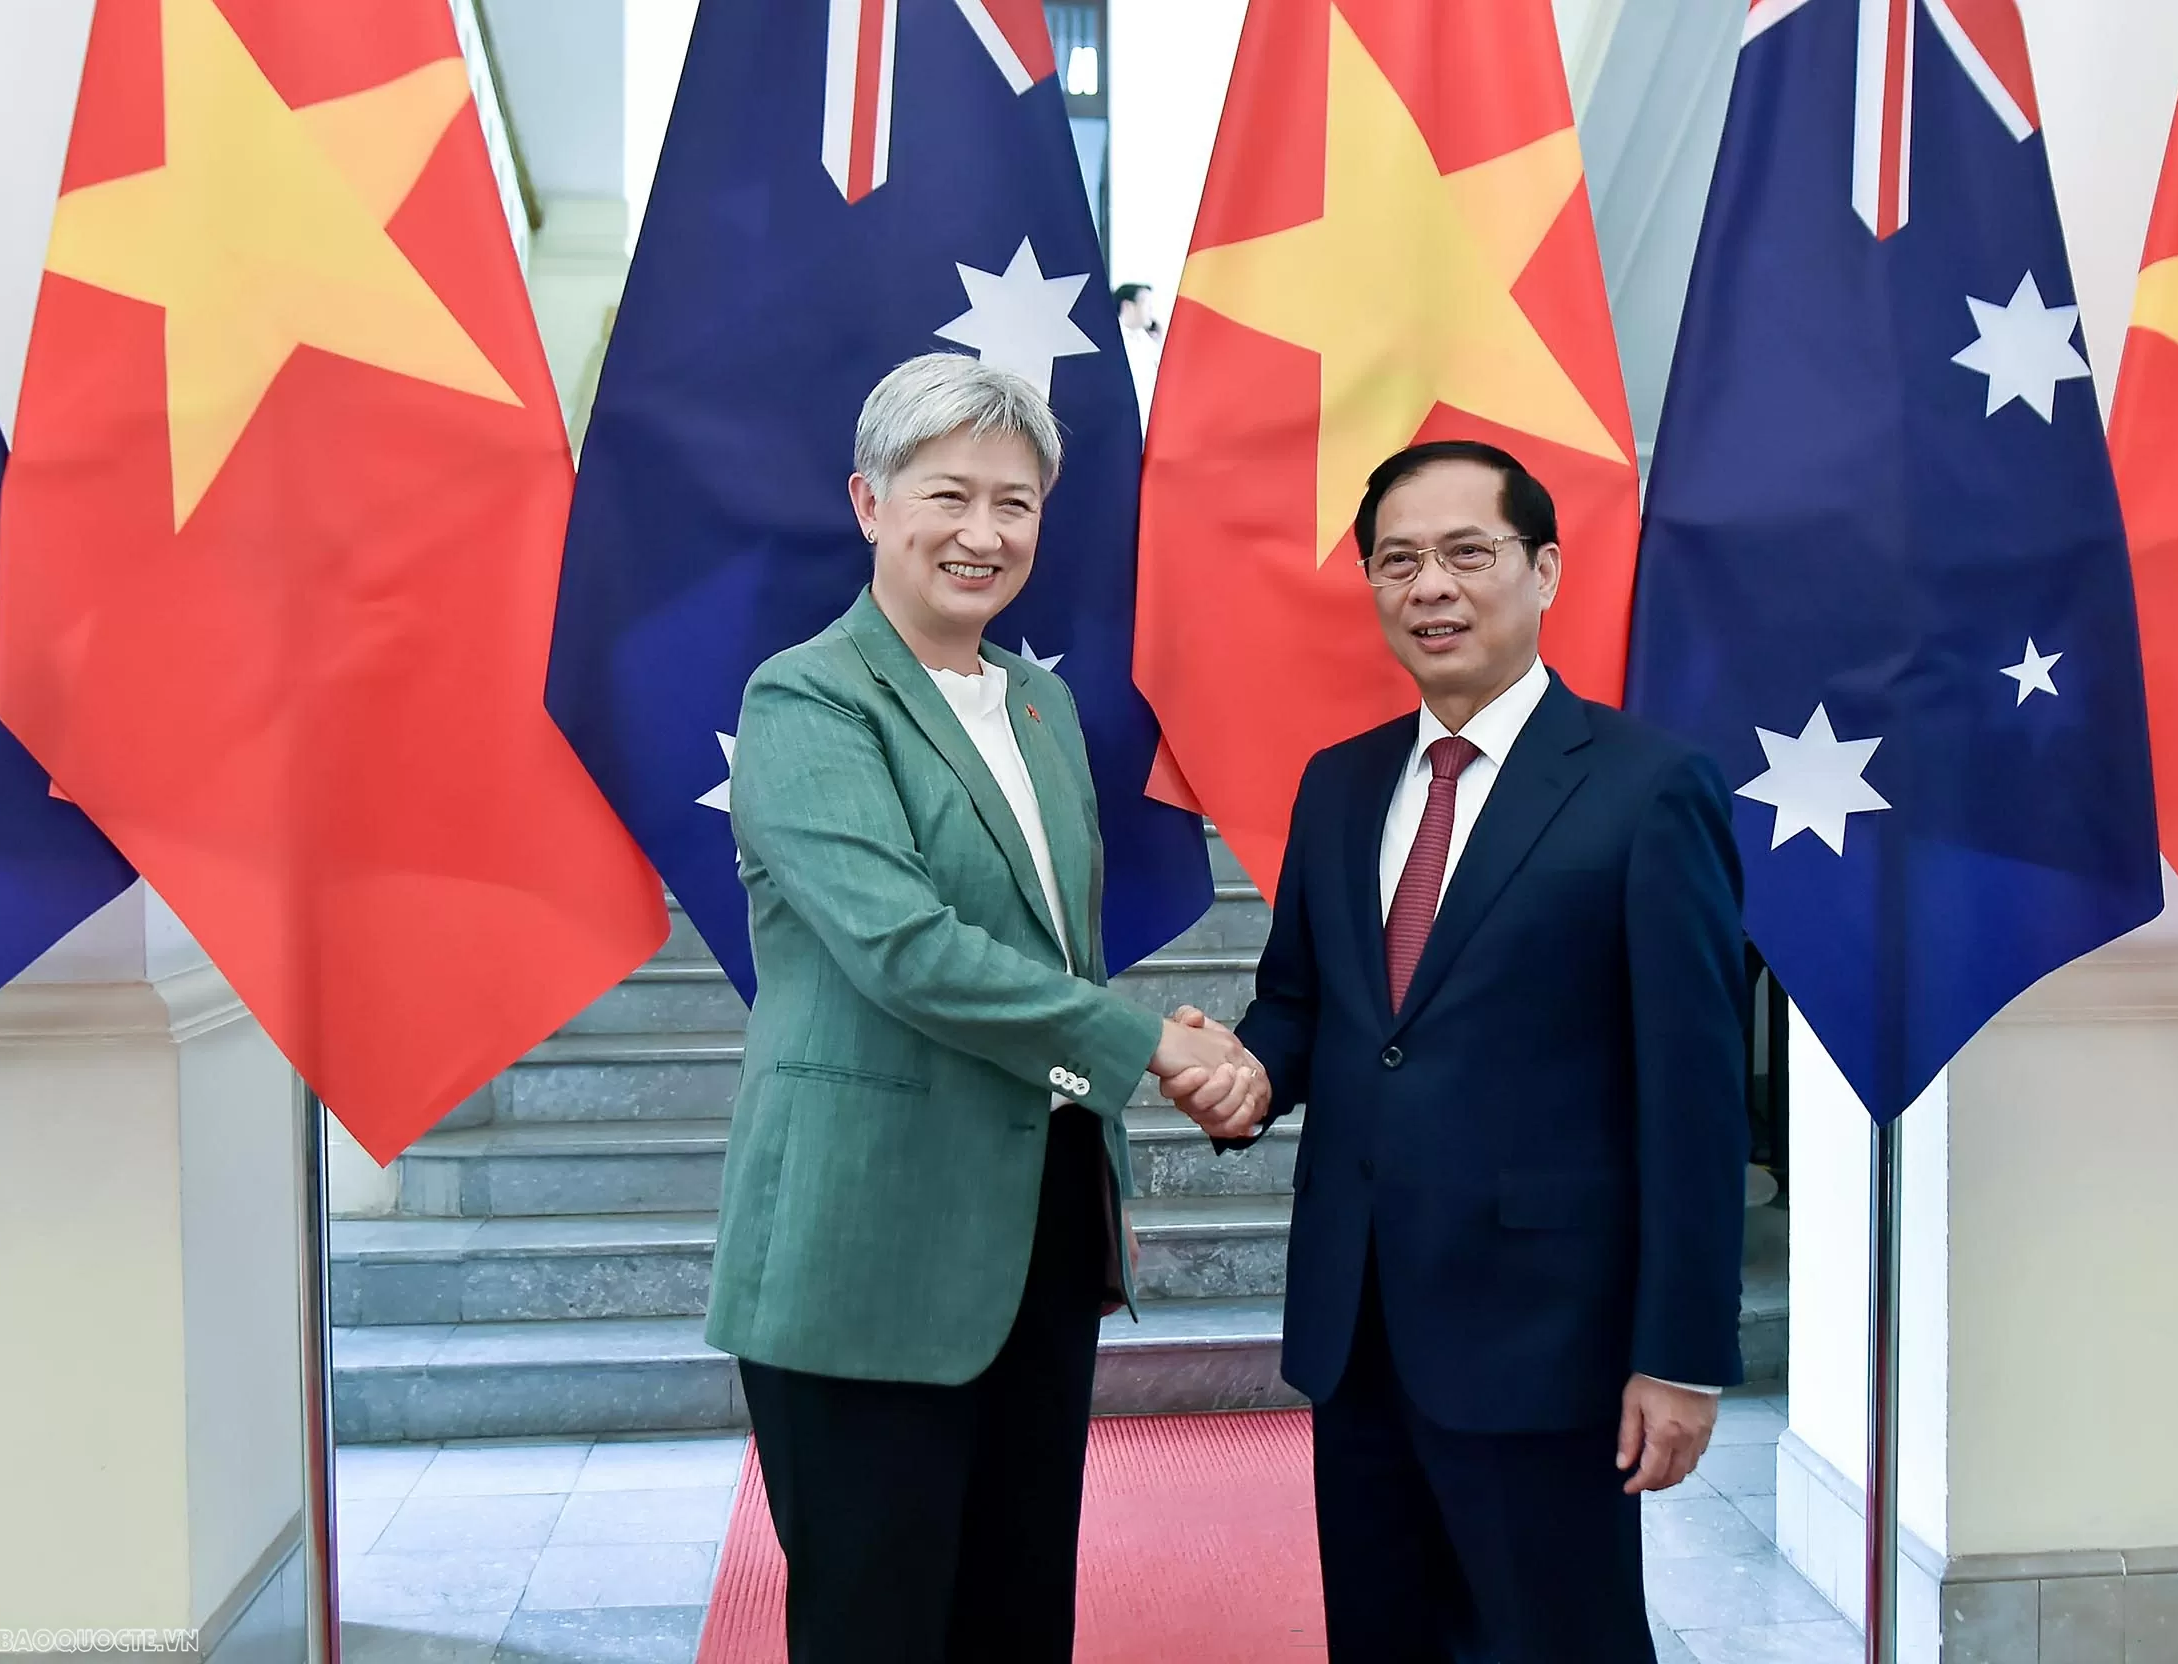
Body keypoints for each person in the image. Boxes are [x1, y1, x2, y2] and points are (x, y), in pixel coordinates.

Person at [705, 353, 1266, 1663]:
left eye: (1015, 504)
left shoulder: (1039, 700)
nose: (982, 533)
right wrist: (1152, 1048)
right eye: (946, 495)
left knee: (1016, 1616)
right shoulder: (807, 699)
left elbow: (1048, 949)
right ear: (868, 502)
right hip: (867, 1240)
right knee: (879, 1621)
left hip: (1036, 1232)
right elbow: (905, 948)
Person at [1169, 440, 1749, 1662]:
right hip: (1358, 1322)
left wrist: (1682, 1353)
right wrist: (1251, 1073)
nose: (1430, 585)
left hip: (1550, 1337)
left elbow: (1695, 1103)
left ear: (1543, 570)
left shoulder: (1650, 790)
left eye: (1465, 553)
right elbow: (1306, 1007)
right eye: (1397, 560)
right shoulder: (1339, 783)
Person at [1114, 281, 1162, 428]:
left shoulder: (1149, 343)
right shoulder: (1113, 341)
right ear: (1128, 306)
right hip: (1123, 425)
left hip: (1149, 425)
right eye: (1146, 304)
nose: (1151, 310)